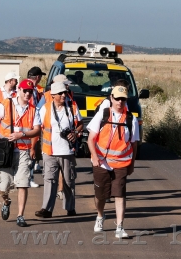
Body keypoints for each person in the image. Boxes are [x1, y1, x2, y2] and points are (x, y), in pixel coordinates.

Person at [87, 85, 139, 238]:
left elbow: (134, 144)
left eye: (123, 99)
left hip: (121, 163)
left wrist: (132, 164)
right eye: (117, 99)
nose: (120, 102)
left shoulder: (131, 119)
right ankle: (100, 216)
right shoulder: (103, 115)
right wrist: (95, 157)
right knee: (100, 195)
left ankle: (120, 227)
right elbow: (91, 139)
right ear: (111, 98)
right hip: (101, 163)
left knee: (119, 194)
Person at [0, 79, 41, 227]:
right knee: (3, 185)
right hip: (6, 150)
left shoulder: (33, 109)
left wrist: (22, 135)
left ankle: (20, 216)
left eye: (30, 92)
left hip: (23, 151)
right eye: (25, 90)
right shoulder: (6, 103)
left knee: (23, 183)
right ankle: (6, 201)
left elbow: (37, 129)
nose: (27, 94)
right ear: (18, 90)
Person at [35, 82, 83, 218]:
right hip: (49, 151)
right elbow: (38, 128)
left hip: (67, 151)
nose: (64, 95)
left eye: (65, 93)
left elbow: (80, 124)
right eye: (61, 93)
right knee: (50, 180)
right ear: (53, 95)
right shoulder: (45, 109)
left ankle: (70, 208)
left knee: (68, 181)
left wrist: (75, 133)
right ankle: (46, 209)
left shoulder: (72, 107)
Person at [27, 66, 46, 188]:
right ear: (38, 77)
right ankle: (29, 178)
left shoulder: (26, 88)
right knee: (31, 151)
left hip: (28, 123)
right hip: (30, 124)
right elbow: (33, 108)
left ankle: (28, 177)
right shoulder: (32, 90)